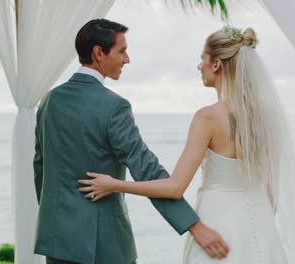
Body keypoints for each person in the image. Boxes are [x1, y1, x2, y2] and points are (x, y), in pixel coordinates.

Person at [79, 26, 295, 264]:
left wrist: (115, 185)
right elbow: (269, 190)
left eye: (202, 59)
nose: (199, 66)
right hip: (263, 227)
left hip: (219, 225)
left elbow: (174, 187)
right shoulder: (268, 116)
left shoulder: (208, 117)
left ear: (216, 64)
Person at [33, 19, 229, 264]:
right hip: (104, 244)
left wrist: (59, 219)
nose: (127, 59)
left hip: (58, 239)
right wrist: (195, 227)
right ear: (98, 53)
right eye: (122, 51)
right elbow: (146, 169)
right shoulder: (113, 106)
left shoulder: (49, 100)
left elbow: (40, 167)